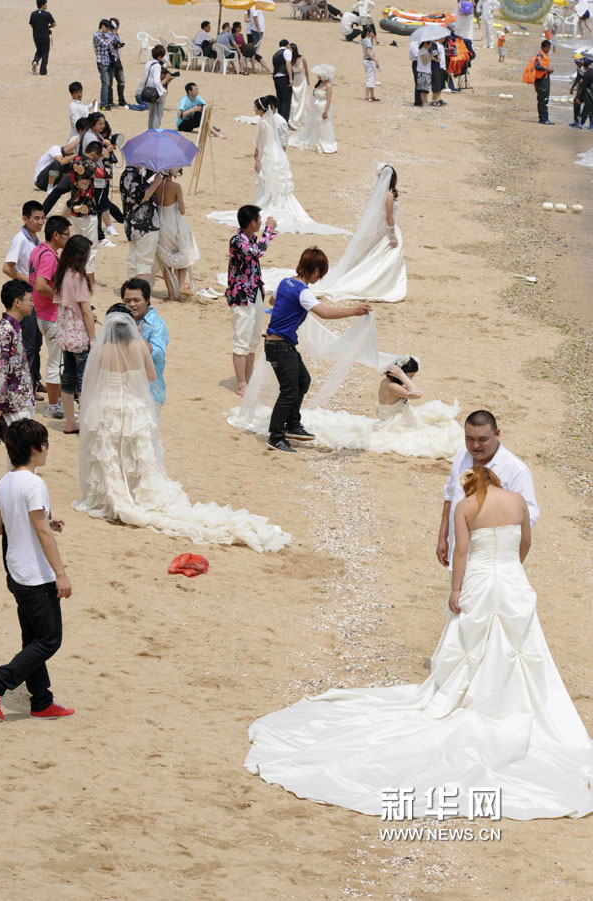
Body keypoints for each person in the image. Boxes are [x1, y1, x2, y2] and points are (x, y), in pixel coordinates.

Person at [244, 465, 593, 819]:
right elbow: (525, 542)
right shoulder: (517, 501)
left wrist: (457, 589)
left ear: (471, 485)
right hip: (512, 582)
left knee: (472, 645)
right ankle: (512, 701)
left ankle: (470, 698)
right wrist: (512, 570)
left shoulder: (467, 507)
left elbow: (460, 553)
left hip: (481, 580)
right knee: (520, 646)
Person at [74, 307, 290, 553]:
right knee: (136, 452)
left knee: (109, 451)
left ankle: (111, 495)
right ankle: (134, 492)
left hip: (107, 406)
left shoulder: (100, 350)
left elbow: (90, 382)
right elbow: (152, 376)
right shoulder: (139, 348)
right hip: (133, 406)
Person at [0, 419, 74, 723]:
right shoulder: (35, 484)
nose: (47, 450)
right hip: (35, 575)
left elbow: (0, 528)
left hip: (15, 573)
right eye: (45, 444)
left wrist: (45, 521)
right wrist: (61, 573)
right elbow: (42, 533)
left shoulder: (4, 482)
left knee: (33, 639)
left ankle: (41, 701)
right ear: (34, 448)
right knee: (49, 639)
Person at [265, 248, 371, 452]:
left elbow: (272, 301)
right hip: (280, 347)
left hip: (280, 344)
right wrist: (355, 311)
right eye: (320, 273)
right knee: (288, 391)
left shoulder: (285, 282)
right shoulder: (303, 292)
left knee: (303, 381)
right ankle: (276, 436)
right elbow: (325, 313)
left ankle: (293, 425)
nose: (319, 278)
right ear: (314, 270)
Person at [208, 99, 350, 235]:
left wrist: (257, 157)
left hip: (268, 154)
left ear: (260, 108)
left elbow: (261, 142)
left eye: (255, 107)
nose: (253, 109)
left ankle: (270, 201)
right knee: (275, 180)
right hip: (277, 153)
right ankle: (274, 199)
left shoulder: (263, 122)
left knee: (268, 180)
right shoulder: (273, 120)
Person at [436, 409, 539, 568]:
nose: (475, 445)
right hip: (459, 553)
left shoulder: (516, 470)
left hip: (492, 560)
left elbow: (529, 514)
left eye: (482, 439)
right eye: (469, 438)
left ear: (497, 433)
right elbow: (450, 495)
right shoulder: (462, 455)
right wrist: (442, 536)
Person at [314, 164, 406, 302]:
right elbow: (388, 216)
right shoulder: (389, 195)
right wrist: (393, 236)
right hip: (388, 232)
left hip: (385, 230)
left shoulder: (381, 194)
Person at [227, 205, 277, 396]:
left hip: (255, 292)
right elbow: (257, 252)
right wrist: (269, 231)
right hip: (241, 295)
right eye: (259, 220)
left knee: (253, 338)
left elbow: (260, 246)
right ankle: (241, 384)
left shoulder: (251, 238)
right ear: (252, 222)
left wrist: (269, 232)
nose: (261, 222)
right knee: (242, 339)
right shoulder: (238, 240)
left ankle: (248, 379)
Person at [28, 215, 71, 418]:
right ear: (56, 235)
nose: (67, 239)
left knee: (56, 360)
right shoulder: (48, 255)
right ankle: (53, 406)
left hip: (43, 314)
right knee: (56, 362)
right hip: (51, 315)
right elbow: (40, 285)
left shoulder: (38, 249)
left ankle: (57, 403)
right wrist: (62, 299)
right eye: (66, 235)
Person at [52, 235, 96, 434]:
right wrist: (93, 337)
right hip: (79, 335)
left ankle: (70, 422)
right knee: (84, 380)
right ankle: (86, 423)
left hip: (65, 334)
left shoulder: (63, 274)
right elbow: (85, 311)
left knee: (68, 378)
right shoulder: (78, 276)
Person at [3, 201, 45, 392]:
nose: (40, 222)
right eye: (36, 218)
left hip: (35, 297)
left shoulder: (35, 240)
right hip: (25, 297)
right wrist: (30, 281)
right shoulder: (20, 239)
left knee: (36, 341)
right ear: (25, 218)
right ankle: (28, 386)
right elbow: (7, 268)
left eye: (42, 218)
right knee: (28, 342)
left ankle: (36, 379)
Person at [121, 279, 169, 408]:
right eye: (127, 301)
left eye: (137, 300)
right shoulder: (120, 320)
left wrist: (139, 338)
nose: (131, 304)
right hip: (123, 391)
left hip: (150, 393)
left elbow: (158, 356)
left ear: (147, 300)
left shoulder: (157, 325)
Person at [0, 281, 36, 427]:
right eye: (30, 300)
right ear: (17, 302)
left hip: (22, 399)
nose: (33, 304)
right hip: (14, 404)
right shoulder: (4, 330)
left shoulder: (14, 327)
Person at [154, 169, 200, 301]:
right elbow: (182, 210)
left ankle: (171, 294)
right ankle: (181, 284)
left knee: (166, 258)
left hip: (161, 223)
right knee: (184, 253)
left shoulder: (155, 185)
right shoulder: (176, 187)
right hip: (174, 223)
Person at [119, 167, 163, 287]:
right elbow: (141, 197)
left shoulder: (129, 174)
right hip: (144, 225)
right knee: (145, 260)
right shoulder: (132, 175)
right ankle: (144, 294)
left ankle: (134, 289)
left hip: (133, 224)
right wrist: (156, 183)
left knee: (134, 258)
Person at [67, 141, 104, 281]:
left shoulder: (75, 160)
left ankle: (78, 277)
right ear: (94, 153)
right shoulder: (88, 164)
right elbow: (106, 173)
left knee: (79, 247)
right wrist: (106, 159)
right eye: (98, 157)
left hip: (75, 209)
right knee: (91, 248)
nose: (98, 160)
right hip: (86, 211)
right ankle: (90, 281)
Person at [289, 64, 337, 153]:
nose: (317, 76)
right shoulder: (319, 84)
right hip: (315, 108)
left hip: (322, 107)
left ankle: (322, 142)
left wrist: (325, 111)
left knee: (322, 124)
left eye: (319, 75)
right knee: (314, 123)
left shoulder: (329, 86)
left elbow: (329, 100)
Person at [92, 19, 118, 112]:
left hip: (107, 61)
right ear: (103, 26)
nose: (108, 30)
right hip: (101, 62)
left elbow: (112, 42)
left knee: (107, 83)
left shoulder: (104, 35)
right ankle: (103, 104)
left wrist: (113, 35)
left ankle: (106, 103)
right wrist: (112, 36)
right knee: (105, 83)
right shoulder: (96, 35)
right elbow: (105, 44)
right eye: (107, 28)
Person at [525, 40, 554, 125]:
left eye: (549, 47)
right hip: (541, 81)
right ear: (542, 47)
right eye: (547, 47)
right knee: (543, 99)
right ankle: (544, 119)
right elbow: (537, 66)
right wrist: (546, 69)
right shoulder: (540, 55)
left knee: (541, 99)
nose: (548, 49)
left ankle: (542, 118)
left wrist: (548, 71)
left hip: (544, 78)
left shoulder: (543, 55)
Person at [29, 0, 55, 76]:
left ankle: (35, 61)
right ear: (43, 5)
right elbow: (54, 24)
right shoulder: (47, 14)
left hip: (36, 36)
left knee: (39, 50)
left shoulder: (33, 14)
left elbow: (31, 25)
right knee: (45, 53)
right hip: (45, 36)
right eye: (46, 4)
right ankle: (43, 71)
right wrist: (47, 27)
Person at [273, 40, 294, 123]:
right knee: (286, 101)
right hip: (284, 77)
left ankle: (279, 121)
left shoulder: (275, 54)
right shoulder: (287, 51)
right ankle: (285, 122)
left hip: (276, 78)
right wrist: (290, 78)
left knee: (280, 99)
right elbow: (288, 64)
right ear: (287, 45)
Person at [289, 44, 310, 130]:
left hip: (301, 80)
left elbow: (306, 69)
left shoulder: (302, 58)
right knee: (294, 99)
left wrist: (308, 79)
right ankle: (293, 117)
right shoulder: (289, 59)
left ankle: (302, 118)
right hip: (294, 80)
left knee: (302, 98)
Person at [107, 18, 126, 107]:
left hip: (117, 60)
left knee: (121, 81)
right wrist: (113, 36)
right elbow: (108, 44)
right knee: (109, 83)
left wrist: (119, 45)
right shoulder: (107, 35)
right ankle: (110, 101)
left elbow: (117, 44)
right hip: (110, 61)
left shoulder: (116, 34)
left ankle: (121, 100)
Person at [361, 26, 379, 102]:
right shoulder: (367, 41)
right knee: (370, 78)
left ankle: (372, 95)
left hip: (367, 61)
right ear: (368, 33)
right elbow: (369, 53)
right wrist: (376, 61)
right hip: (369, 61)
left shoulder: (364, 40)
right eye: (371, 32)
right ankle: (367, 96)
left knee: (372, 78)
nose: (373, 33)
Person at [416, 41, 433, 107]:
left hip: (427, 72)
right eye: (429, 44)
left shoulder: (426, 51)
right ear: (425, 44)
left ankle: (426, 102)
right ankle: (424, 103)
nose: (430, 46)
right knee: (423, 90)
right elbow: (425, 62)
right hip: (422, 72)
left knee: (426, 89)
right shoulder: (422, 51)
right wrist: (431, 56)